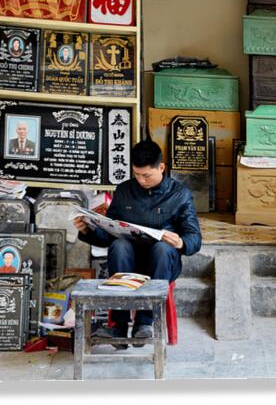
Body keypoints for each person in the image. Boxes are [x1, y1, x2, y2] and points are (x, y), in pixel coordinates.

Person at [73, 140, 201, 348]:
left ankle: (145, 322)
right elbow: (108, 235)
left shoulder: (180, 194)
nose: (141, 180)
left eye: (147, 175)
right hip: (127, 261)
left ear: (161, 167)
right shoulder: (124, 191)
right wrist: (88, 230)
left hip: (162, 264)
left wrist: (180, 242)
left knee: (161, 247)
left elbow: (195, 238)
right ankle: (119, 326)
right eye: (137, 174)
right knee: (119, 245)